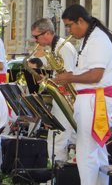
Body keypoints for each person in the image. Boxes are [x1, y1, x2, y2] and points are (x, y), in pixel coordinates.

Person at [55, 4, 112, 185]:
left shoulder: (97, 39)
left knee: (86, 152)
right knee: (96, 152)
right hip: (91, 99)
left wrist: (70, 78)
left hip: (94, 100)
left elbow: (96, 75)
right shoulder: (90, 38)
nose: (68, 30)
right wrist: (71, 81)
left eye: (69, 25)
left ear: (80, 21)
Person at [31, 18, 77, 163]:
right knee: (62, 138)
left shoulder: (63, 47)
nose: (35, 40)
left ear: (48, 33)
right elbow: (51, 63)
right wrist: (38, 63)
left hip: (68, 99)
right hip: (63, 99)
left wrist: (48, 82)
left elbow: (68, 76)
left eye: (36, 36)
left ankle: (57, 176)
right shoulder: (54, 48)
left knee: (57, 140)